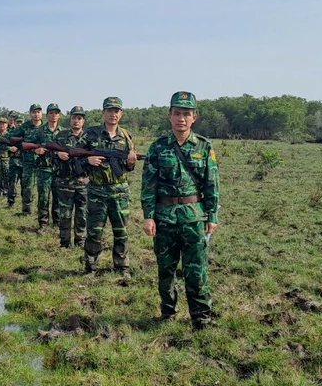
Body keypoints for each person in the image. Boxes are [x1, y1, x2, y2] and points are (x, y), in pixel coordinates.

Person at [141, 91, 220, 330]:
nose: (181, 119)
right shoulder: (157, 148)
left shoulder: (204, 147)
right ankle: (168, 312)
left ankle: (201, 317)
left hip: (194, 218)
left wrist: (212, 216)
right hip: (164, 218)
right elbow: (149, 185)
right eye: (177, 113)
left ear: (194, 117)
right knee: (166, 269)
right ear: (169, 116)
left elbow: (212, 183)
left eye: (186, 114)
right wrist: (148, 216)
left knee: (196, 271)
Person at [81, 96, 137, 277]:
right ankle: (91, 267)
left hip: (120, 192)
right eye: (110, 110)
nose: (113, 114)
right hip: (96, 191)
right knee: (94, 232)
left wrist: (131, 163)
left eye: (116, 111)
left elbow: (129, 167)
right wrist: (88, 160)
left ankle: (122, 267)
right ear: (103, 112)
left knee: (121, 231)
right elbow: (75, 156)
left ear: (121, 113)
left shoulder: (126, 136)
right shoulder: (91, 134)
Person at [54, 106, 89, 248]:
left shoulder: (90, 138)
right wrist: (57, 154)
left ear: (83, 121)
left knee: (82, 214)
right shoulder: (61, 136)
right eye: (74, 117)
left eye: (79, 118)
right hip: (65, 182)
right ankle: (64, 243)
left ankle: (80, 241)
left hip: (83, 183)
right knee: (65, 215)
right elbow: (49, 152)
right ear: (70, 119)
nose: (76, 121)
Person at [27, 103, 63, 228]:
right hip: (44, 169)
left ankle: (57, 222)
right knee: (43, 197)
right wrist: (35, 150)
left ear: (59, 115)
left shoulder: (64, 132)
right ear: (46, 115)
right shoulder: (40, 131)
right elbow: (27, 144)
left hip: (59, 170)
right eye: (51, 113)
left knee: (58, 197)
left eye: (56, 113)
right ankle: (43, 223)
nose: (54, 115)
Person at [6, 104, 42, 214]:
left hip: (43, 163)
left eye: (38, 112)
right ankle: (26, 211)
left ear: (41, 113)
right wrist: (18, 146)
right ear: (30, 114)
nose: (36, 114)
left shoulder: (45, 127)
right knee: (28, 187)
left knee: (43, 188)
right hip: (28, 162)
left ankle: (42, 211)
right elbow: (9, 138)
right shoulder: (24, 127)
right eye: (34, 112)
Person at [6, 112, 24, 209]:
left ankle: (25, 204)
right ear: (15, 122)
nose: (19, 124)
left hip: (25, 163)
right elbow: (1, 145)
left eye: (21, 122)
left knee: (25, 185)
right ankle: (10, 202)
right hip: (14, 162)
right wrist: (9, 148)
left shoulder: (28, 134)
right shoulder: (10, 134)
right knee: (12, 184)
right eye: (18, 122)